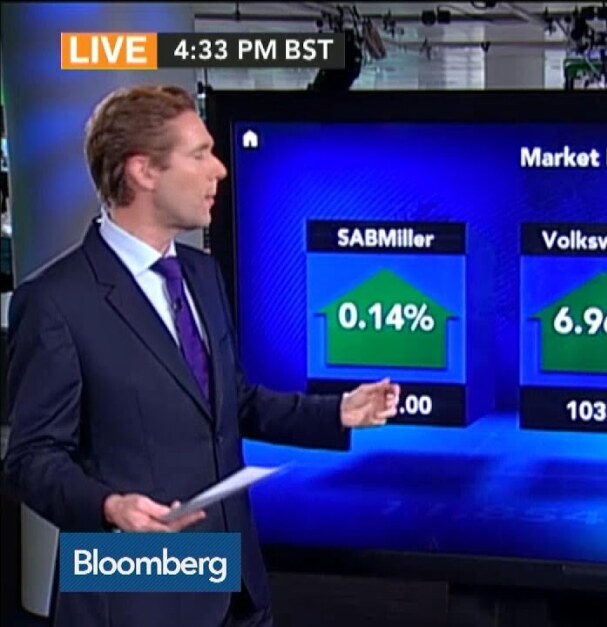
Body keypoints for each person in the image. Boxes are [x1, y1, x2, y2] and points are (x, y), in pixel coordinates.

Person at [3, 85, 400, 627]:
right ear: (143, 170)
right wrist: (108, 507)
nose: (220, 170)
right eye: (200, 154)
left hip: (234, 590)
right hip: (134, 596)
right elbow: (30, 459)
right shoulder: (56, 302)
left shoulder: (200, 274)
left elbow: (230, 401)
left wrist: (337, 411)